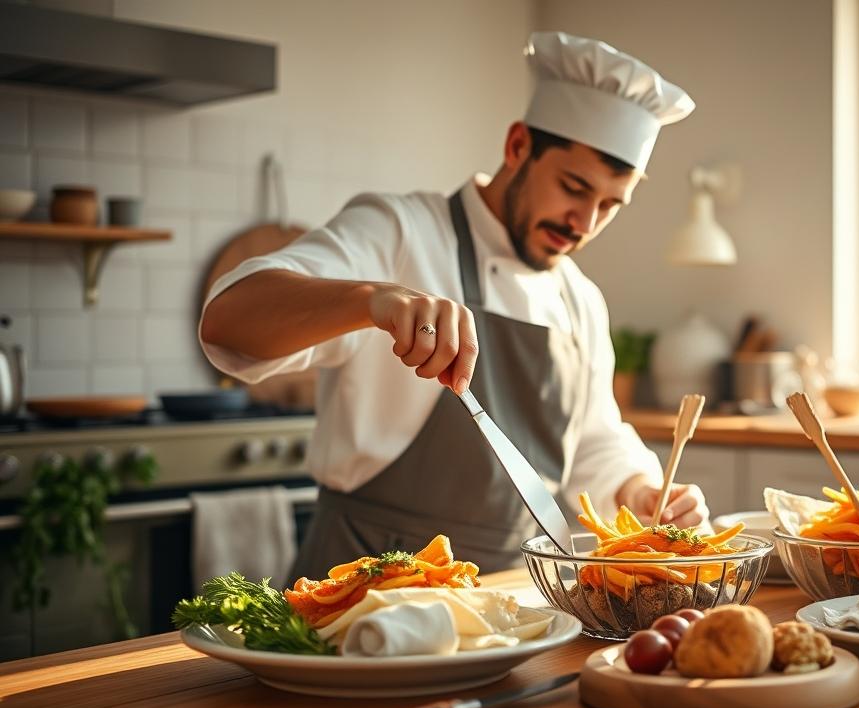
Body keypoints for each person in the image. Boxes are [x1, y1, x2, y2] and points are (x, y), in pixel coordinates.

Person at [199, 31, 705, 578]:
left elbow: (593, 444)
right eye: (573, 187)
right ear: (517, 147)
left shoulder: (579, 299)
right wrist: (372, 299)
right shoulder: (400, 233)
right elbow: (229, 320)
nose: (583, 224)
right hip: (363, 589)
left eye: (610, 205)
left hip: (513, 602)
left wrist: (641, 490)